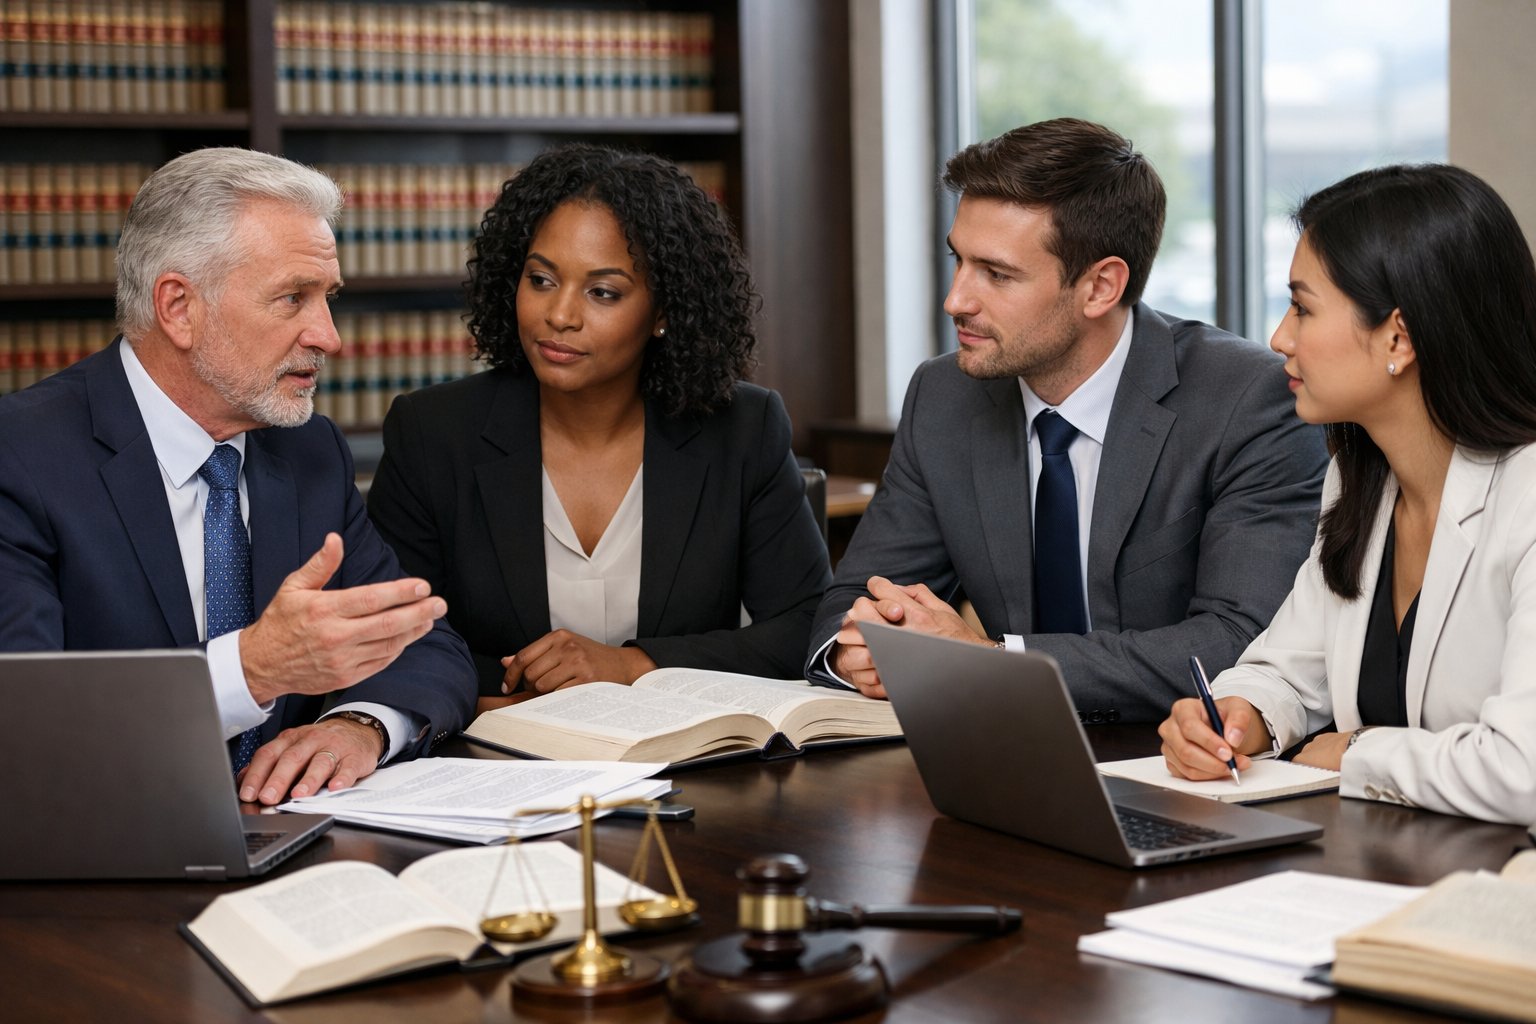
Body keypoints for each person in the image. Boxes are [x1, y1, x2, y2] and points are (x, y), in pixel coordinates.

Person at [806, 118, 1327, 722]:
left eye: (997, 274)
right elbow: (850, 598)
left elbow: (1237, 641)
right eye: (959, 261)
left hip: (1177, 762)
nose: (956, 299)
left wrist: (993, 662)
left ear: (1101, 287)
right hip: (1003, 757)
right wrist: (861, 649)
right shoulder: (944, 394)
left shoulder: (1248, 400)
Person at [0, 147, 477, 805]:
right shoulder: (19, 456)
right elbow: (24, 723)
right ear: (179, 307)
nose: (330, 337)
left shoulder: (310, 450)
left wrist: (360, 725)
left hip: (291, 850)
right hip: (100, 860)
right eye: (294, 298)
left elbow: (426, 640)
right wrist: (252, 671)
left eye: (328, 298)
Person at [366, 144, 830, 708]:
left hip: (684, 767)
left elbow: (806, 624)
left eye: (602, 292)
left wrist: (631, 665)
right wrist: (511, 692)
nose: (559, 315)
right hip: (497, 766)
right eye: (540, 280)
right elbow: (392, 636)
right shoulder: (433, 432)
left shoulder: (741, 429)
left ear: (664, 311)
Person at [1158, 164, 1536, 825]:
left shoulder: (1526, 495)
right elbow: (1285, 667)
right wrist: (1239, 716)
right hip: (1386, 865)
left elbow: (1523, 771)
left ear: (1398, 336)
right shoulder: (1361, 478)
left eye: (1302, 308)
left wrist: (1359, 751)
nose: (1279, 338)